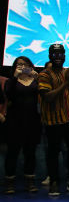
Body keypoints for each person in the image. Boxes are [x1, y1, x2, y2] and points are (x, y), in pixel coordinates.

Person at [38, 44, 69, 196]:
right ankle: (54, 182)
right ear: (50, 56)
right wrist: (66, 83)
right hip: (53, 121)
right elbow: (48, 97)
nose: (58, 58)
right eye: (55, 55)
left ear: (64, 56)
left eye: (61, 54)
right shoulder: (44, 74)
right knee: (53, 152)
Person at [3, 57, 41, 194]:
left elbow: (43, 96)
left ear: (31, 66)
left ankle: (30, 181)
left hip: (32, 121)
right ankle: (9, 183)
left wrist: (38, 79)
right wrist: (15, 77)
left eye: (25, 65)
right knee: (12, 152)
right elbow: (9, 95)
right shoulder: (11, 81)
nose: (22, 67)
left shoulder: (36, 80)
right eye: (19, 65)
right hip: (14, 121)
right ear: (14, 67)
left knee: (30, 153)